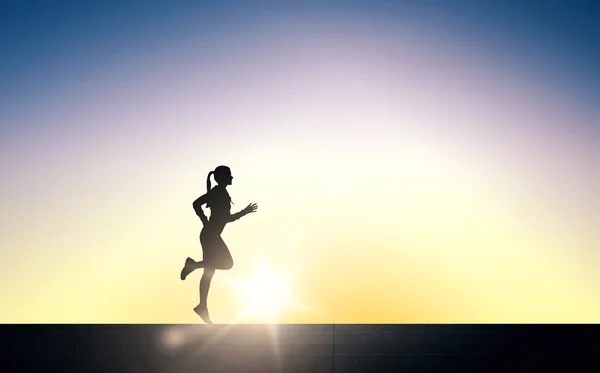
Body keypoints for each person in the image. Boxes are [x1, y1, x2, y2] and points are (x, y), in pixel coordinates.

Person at [180, 165, 258, 324]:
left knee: (209, 271)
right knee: (227, 264)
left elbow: (225, 218)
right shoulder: (217, 192)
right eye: (229, 175)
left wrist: (243, 212)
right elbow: (196, 204)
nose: (232, 178)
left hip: (212, 235)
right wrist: (204, 220)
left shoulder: (221, 193)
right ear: (222, 178)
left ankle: (202, 306)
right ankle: (193, 266)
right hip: (210, 236)